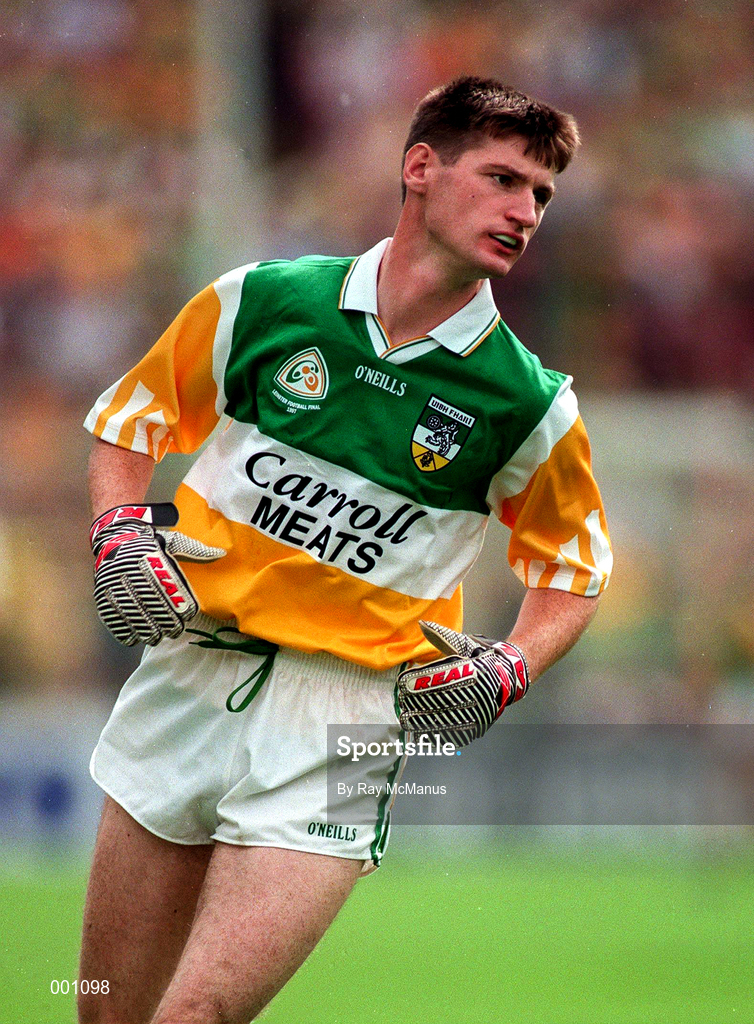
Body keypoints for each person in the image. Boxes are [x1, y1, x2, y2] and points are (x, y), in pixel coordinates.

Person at [78, 76, 612, 1024]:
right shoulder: (267, 300)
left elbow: (572, 574)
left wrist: (509, 667)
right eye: (501, 179)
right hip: (189, 670)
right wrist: (120, 526)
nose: (525, 211)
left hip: (348, 718)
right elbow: (132, 420)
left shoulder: (529, 403)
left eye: (541, 194)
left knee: (193, 1017)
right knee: (104, 1013)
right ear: (420, 168)